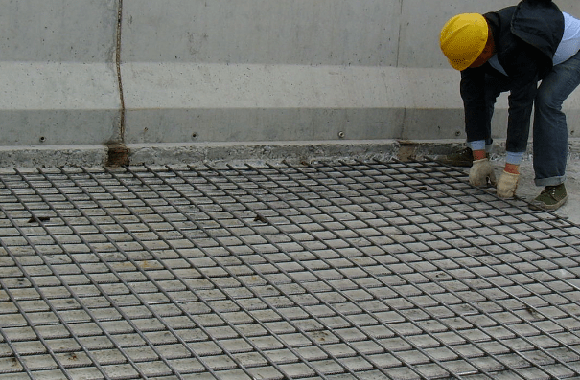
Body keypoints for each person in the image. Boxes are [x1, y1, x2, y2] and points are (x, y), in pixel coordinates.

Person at [439, 0, 580, 211]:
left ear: (486, 49)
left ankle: (554, 184)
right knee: (482, 86)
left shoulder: (520, 46)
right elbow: (473, 94)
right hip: (533, 52)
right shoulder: (472, 39)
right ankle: (477, 152)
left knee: (547, 101)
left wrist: (511, 169)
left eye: (472, 60)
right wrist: (480, 159)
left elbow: (521, 105)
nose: (467, 67)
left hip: (572, 53)